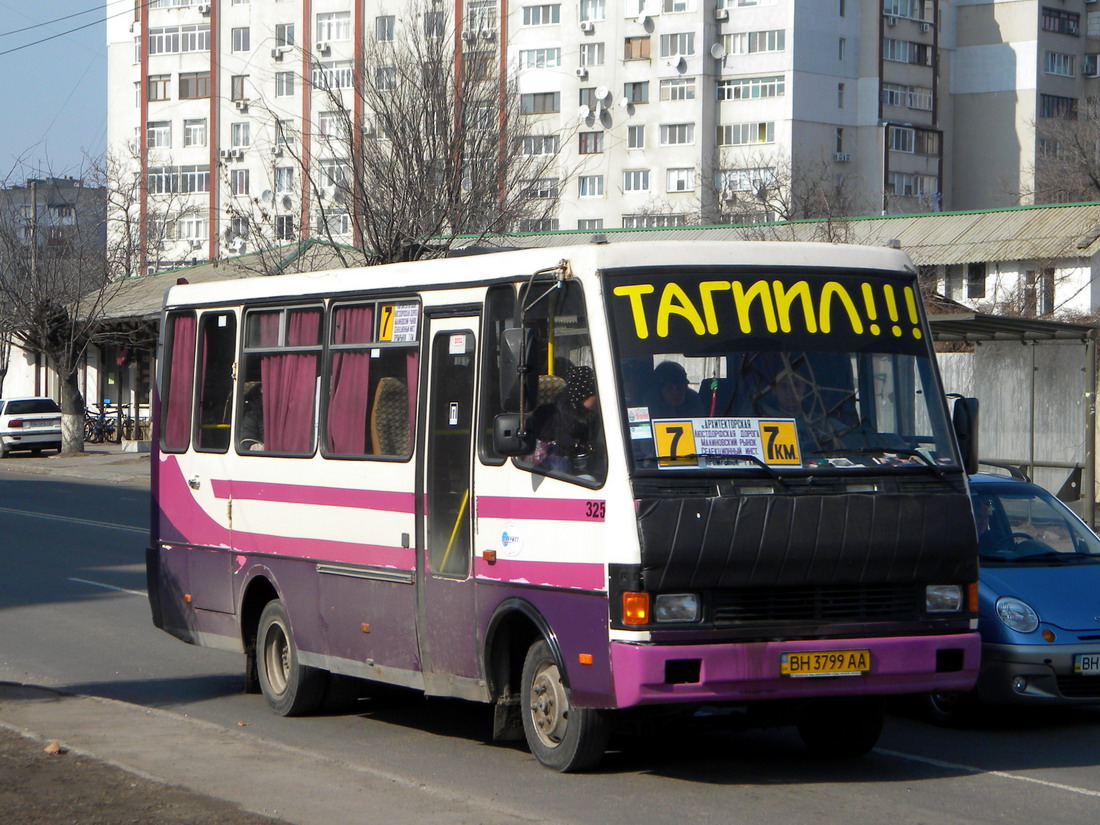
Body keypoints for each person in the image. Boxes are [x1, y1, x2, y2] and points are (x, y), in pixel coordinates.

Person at [528, 365, 603, 478]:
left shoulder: (599, 418)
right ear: (582, 395)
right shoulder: (548, 417)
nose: (600, 399)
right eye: (595, 394)